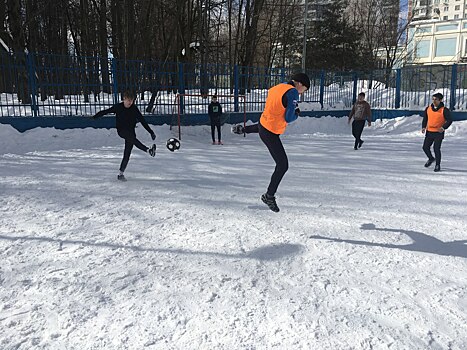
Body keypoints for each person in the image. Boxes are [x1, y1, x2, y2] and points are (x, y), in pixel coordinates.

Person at [232, 73, 310, 212]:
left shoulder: (277, 87)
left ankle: (242, 129)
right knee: (283, 165)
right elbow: (289, 117)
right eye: (304, 89)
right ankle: (269, 195)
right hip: (270, 132)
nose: (302, 92)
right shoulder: (292, 92)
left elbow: (275, 110)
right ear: (300, 84)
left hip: (263, 124)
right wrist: (296, 113)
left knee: (262, 128)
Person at [92, 90, 157, 181]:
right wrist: (95, 116)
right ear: (124, 99)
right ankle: (148, 150)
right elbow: (106, 111)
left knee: (127, 154)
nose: (130, 102)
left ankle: (120, 174)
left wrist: (151, 132)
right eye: (128, 100)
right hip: (122, 131)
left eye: (132, 100)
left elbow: (142, 121)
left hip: (131, 131)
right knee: (132, 139)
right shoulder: (118, 107)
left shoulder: (134, 109)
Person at [422, 92, 452, 172]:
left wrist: (443, 127)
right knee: (425, 147)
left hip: (438, 132)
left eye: (436, 99)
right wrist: (423, 127)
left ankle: (437, 165)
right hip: (429, 132)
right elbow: (425, 119)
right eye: (433, 99)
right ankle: (431, 158)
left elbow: (449, 120)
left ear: (440, 100)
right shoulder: (428, 108)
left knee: (436, 149)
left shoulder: (444, 110)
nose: (434, 101)